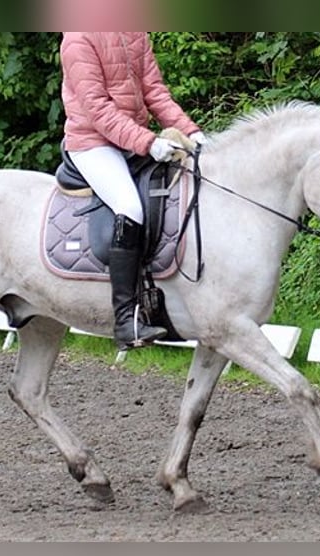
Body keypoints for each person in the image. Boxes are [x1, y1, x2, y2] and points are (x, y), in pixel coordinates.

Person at [60, 32, 207, 350]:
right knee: (130, 206)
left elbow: (155, 92)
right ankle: (126, 321)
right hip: (93, 143)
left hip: (131, 139)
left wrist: (192, 132)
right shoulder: (77, 38)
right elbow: (97, 109)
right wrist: (148, 143)